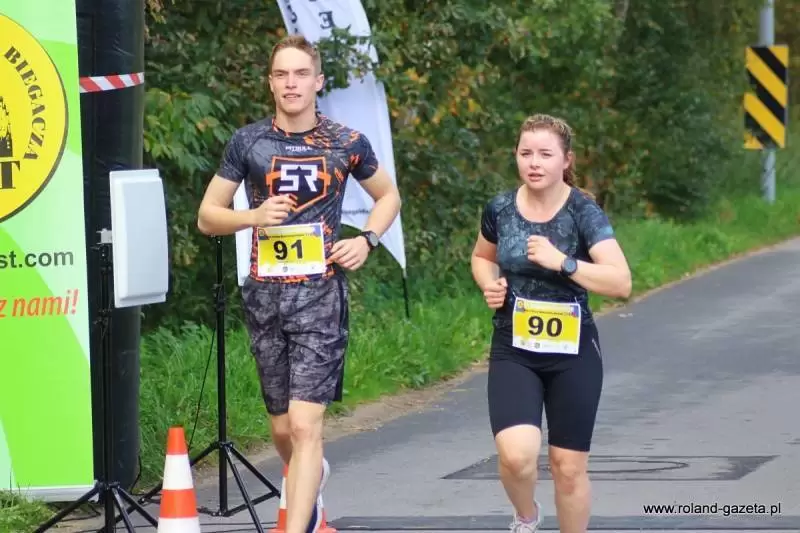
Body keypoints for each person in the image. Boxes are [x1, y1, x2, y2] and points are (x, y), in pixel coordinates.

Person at [196, 35, 402, 533]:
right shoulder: (247, 142)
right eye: (282, 75)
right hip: (265, 297)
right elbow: (207, 217)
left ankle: (297, 524)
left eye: (301, 74)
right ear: (270, 83)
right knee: (283, 429)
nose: (291, 84)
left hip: (320, 295)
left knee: (307, 424)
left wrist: (367, 239)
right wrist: (253, 216)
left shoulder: (347, 142)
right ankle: (311, 485)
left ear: (318, 82)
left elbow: (388, 196)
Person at [470, 114, 632, 533]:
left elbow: (621, 282)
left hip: (573, 351)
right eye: (526, 153)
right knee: (516, 456)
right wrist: (490, 284)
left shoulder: (583, 211)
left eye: (545, 154)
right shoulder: (500, 208)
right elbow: (482, 257)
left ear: (566, 160)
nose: (534, 163)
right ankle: (526, 516)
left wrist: (564, 262)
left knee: (568, 467)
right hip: (514, 346)